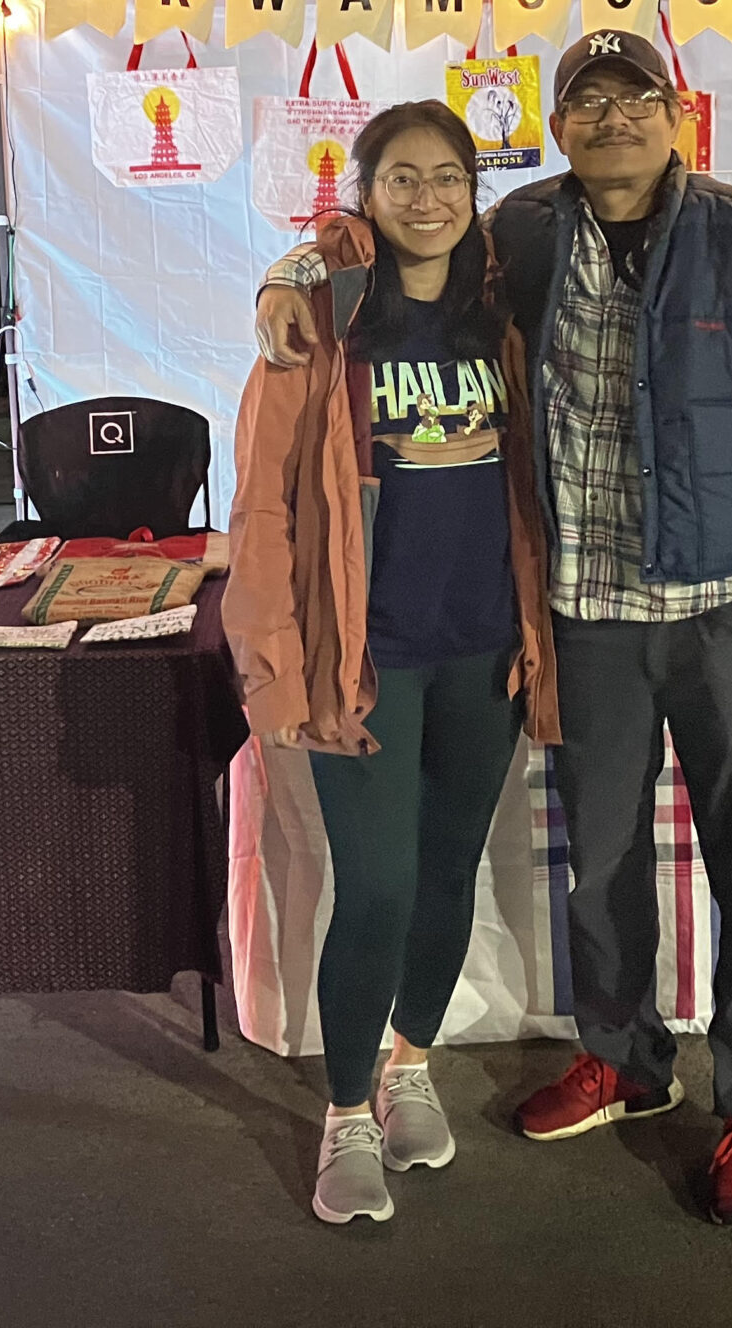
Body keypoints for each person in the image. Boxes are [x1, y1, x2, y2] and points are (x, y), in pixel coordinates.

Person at [258, 28, 732, 1227]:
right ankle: (627, 1062)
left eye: (636, 100)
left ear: (676, 115)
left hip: (726, 609)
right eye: (589, 102)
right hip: (579, 613)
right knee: (604, 863)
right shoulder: (519, 235)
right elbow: (374, 236)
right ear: (561, 124)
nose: (613, 120)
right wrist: (281, 276)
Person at [224, 101, 559, 1228]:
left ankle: (408, 1064)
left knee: (446, 874)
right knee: (374, 885)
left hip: (484, 648)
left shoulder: (504, 309)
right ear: (364, 192)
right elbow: (263, 505)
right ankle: (343, 1114)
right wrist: (272, 664)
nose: (427, 198)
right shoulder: (321, 324)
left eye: (448, 175)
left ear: (476, 188)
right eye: (400, 178)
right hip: (362, 660)